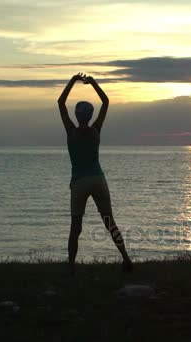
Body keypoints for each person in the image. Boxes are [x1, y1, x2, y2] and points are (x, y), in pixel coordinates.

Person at [58, 72, 133, 275]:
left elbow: (60, 102)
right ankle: (126, 259)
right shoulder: (96, 131)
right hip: (98, 179)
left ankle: (71, 267)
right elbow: (106, 101)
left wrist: (73, 81)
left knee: (76, 227)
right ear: (90, 116)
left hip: (79, 182)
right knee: (109, 221)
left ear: (77, 115)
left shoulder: (71, 131)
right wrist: (93, 83)